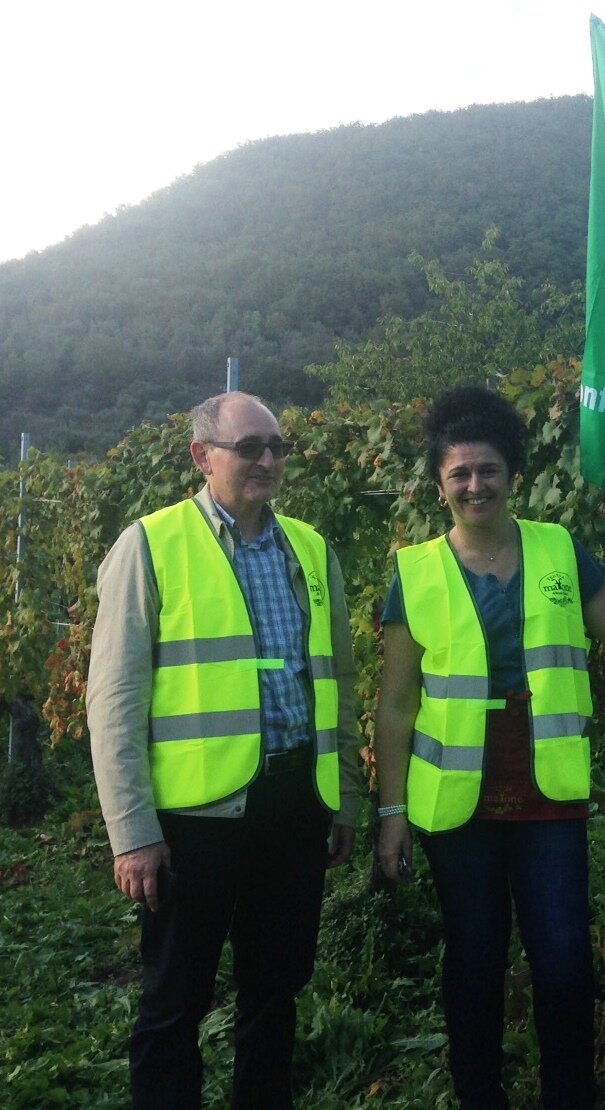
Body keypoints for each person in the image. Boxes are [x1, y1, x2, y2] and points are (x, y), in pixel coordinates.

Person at [373, 384, 605, 1110]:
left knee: (564, 962)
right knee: (474, 962)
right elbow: (398, 702)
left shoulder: (559, 550)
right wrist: (391, 813)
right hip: (457, 802)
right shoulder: (415, 572)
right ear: (440, 483)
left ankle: (567, 1097)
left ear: (513, 476)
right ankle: (482, 1097)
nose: (475, 485)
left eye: (489, 470)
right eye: (460, 474)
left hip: (548, 793)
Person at [87, 391, 362, 1109]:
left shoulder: (310, 548)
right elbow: (112, 699)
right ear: (200, 456)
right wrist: (132, 832)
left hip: (292, 804)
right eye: (250, 447)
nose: (268, 460)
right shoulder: (150, 545)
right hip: (194, 821)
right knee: (174, 1001)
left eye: (277, 446)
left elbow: (337, 682)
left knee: (275, 993)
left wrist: (342, 799)